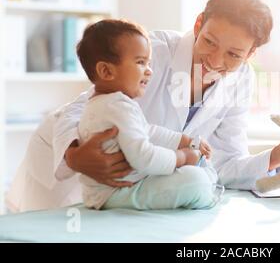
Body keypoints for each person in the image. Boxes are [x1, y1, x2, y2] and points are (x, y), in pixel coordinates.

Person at [6, 0, 280, 212]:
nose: (215, 60)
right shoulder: (152, 52)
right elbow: (81, 108)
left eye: (234, 54)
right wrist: (74, 155)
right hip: (63, 165)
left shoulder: (241, 79)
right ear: (198, 24)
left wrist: (274, 157)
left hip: (124, 185)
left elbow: (223, 162)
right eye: (209, 41)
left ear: (250, 55)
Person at [75, 19, 219, 210]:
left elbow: (146, 131)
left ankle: (206, 185)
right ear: (106, 71)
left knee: (195, 175)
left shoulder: (109, 103)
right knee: (194, 181)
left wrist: (182, 140)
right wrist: (181, 157)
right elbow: (143, 157)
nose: (150, 71)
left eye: (149, 63)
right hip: (116, 193)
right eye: (141, 62)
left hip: (115, 189)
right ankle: (207, 196)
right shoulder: (117, 106)